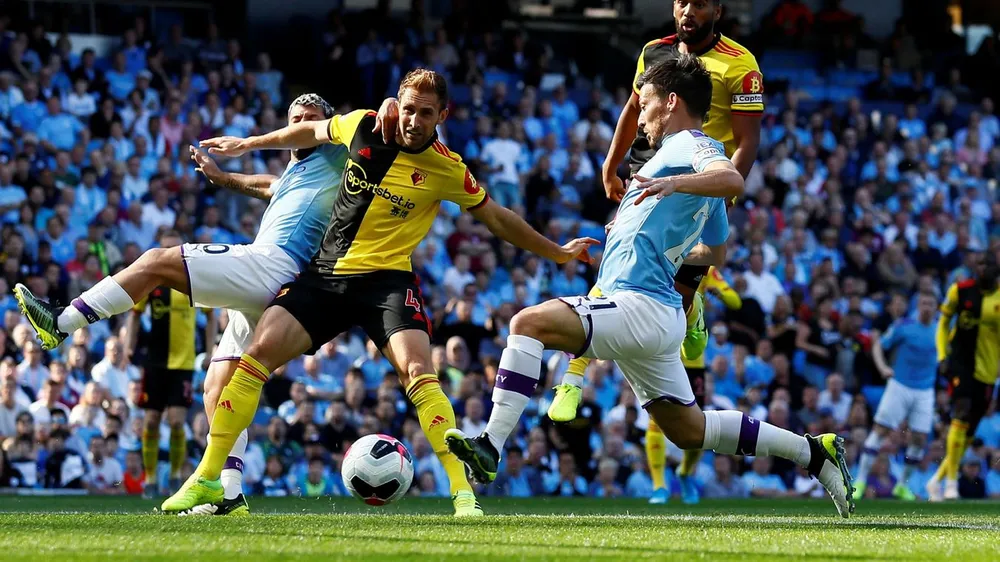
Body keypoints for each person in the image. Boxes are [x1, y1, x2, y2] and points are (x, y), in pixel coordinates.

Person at [160, 68, 596, 517]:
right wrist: (248, 144)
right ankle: (209, 477)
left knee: (418, 371)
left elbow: (498, 218)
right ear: (397, 104)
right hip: (326, 273)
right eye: (408, 109)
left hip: (387, 283)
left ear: (442, 115)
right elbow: (309, 129)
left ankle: (463, 494)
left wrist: (557, 253)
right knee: (255, 357)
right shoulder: (364, 125)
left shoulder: (448, 168)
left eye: (426, 114)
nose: (413, 120)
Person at [444, 55, 853, 519]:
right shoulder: (677, 167)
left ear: (672, 101)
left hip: (639, 308)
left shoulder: (690, 145)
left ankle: (491, 445)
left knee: (528, 323)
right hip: (655, 314)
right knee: (689, 430)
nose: (640, 115)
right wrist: (672, 247)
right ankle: (813, 453)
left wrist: (675, 184)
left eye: (647, 103)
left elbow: (733, 177)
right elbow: (715, 254)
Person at [15, 93, 393, 516]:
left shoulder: (339, 154)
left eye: (310, 118)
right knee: (218, 388)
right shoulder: (295, 170)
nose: (301, 123)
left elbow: (379, 121)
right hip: (274, 281)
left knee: (156, 261)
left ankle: (61, 321)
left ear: (325, 122)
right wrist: (223, 177)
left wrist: (392, 103)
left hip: (274, 264)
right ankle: (229, 490)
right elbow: (265, 185)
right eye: (295, 117)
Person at [546, 0, 763, 505]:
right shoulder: (653, 51)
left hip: (697, 177)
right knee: (620, 271)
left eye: (700, 2)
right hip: (649, 174)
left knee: (678, 296)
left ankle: (693, 307)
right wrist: (612, 160)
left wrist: (718, 195)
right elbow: (632, 107)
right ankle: (573, 378)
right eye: (681, 1)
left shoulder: (741, 65)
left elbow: (747, 140)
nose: (688, 10)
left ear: (718, 8)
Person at [125, 230, 216, 498]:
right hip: (154, 361)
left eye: (173, 248)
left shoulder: (192, 280)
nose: (168, 254)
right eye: (164, 248)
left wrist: (210, 349)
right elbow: (134, 314)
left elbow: (211, 316)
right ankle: (151, 478)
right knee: (151, 421)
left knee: (177, 421)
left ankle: (175, 476)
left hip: (184, 362)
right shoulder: (151, 281)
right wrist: (129, 344)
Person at [926, 252, 1000, 501]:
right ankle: (951, 483)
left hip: (987, 372)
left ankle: (935, 481)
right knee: (961, 412)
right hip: (960, 363)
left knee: (969, 433)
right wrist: (942, 356)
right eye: (978, 263)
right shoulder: (959, 290)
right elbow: (943, 323)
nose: (982, 268)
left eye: (987, 264)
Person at [854, 291, 938, 501]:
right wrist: (883, 367)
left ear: (936, 307)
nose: (927, 307)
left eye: (931, 303)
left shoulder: (941, 330)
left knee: (919, 439)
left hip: (925, 390)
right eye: (924, 302)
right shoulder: (904, 326)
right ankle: (861, 480)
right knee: (881, 430)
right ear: (918, 305)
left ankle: (902, 486)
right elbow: (878, 346)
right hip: (899, 385)